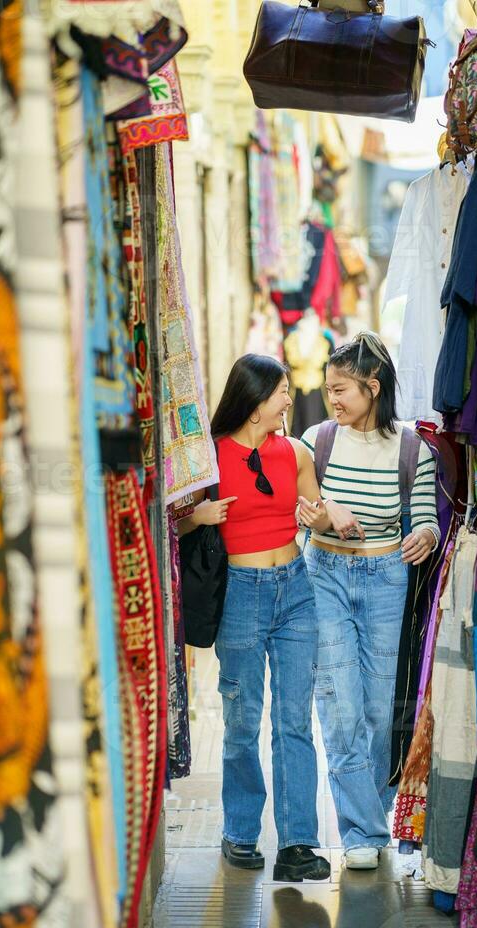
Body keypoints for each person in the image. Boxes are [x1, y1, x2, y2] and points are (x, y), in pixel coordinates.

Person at [179, 353, 333, 882]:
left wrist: (327, 517)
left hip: (296, 591)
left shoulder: (295, 453)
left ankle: (297, 843)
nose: (290, 399)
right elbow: (170, 521)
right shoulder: (210, 458)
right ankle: (241, 831)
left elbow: (323, 510)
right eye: (283, 391)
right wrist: (195, 516)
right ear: (255, 402)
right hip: (240, 595)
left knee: (294, 722)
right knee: (242, 721)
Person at [299, 333, 439, 870]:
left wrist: (424, 535)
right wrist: (322, 510)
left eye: (341, 388)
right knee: (340, 707)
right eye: (329, 388)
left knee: (380, 710)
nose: (331, 397)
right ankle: (363, 832)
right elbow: (301, 499)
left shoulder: (412, 449)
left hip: (386, 578)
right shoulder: (318, 440)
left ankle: (373, 815)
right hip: (325, 574)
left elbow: (423, 516)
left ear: (372, 387)